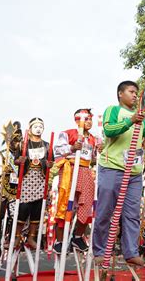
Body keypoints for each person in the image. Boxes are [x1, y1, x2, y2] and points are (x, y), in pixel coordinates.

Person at [92, 80, 145, 266]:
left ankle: (131, 252)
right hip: (112, 166)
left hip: (135, 172)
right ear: (121, 94)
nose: (135, 95)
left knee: (132, 214)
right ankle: (100, 251)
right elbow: (109, 130)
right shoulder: (113, 110)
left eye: (137, 92)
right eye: (131, 91)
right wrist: (130, 121)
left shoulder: (140, 115)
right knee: (105, 210)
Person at [53, 108, 97, 253]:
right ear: (79, 120)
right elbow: (57, 150)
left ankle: (77, 236)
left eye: (91, 119)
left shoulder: (93, 138)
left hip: (85, 170)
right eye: (87, 119)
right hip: (69, 169)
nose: (90, 122)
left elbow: (95, 157)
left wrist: (100, 151)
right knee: (66, 205)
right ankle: (60, 241)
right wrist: (72, 147)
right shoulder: (68, 133)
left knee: (87, 204)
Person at [14, 117, 52, 249]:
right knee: (24, 208)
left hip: (41, 180)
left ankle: (31, 237)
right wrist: (20, 160)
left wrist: (49, 164)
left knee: (37, 209)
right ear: (30, 129)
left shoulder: (47, 145)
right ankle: (17, 237)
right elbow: (16, 160)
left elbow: (50, 161)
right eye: (35, 126)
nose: (38, 129)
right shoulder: (23, 144)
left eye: (41, 126)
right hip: (26, 179)